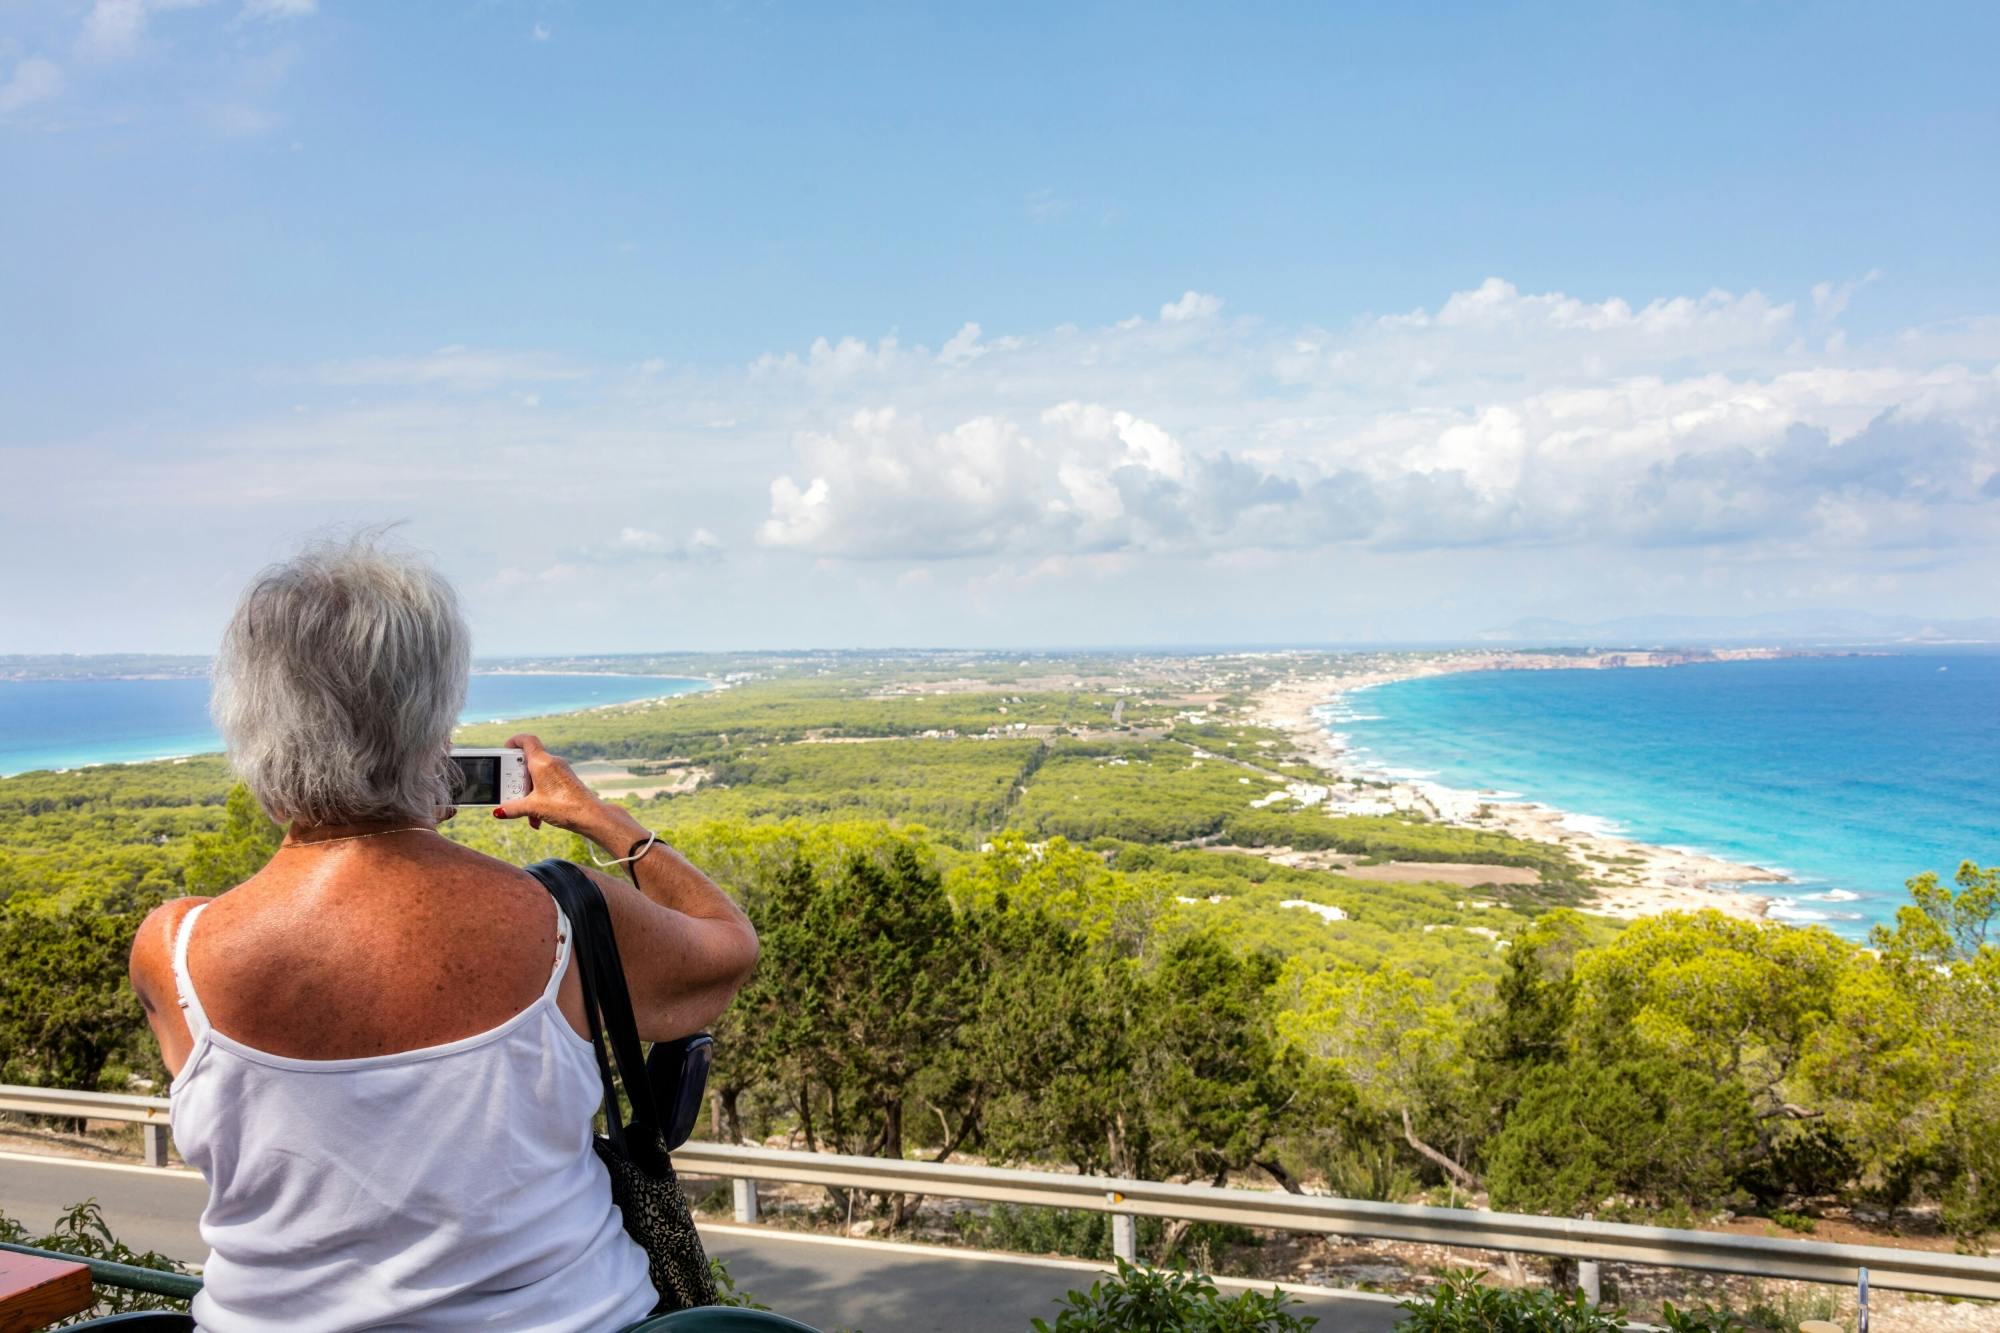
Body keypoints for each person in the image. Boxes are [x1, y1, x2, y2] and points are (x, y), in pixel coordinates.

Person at [128, 536, 759, 1332]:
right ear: (436, 724)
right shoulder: (566, 917)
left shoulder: (172, 950)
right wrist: (606, 822)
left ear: (250, 725)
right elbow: (729, 947)